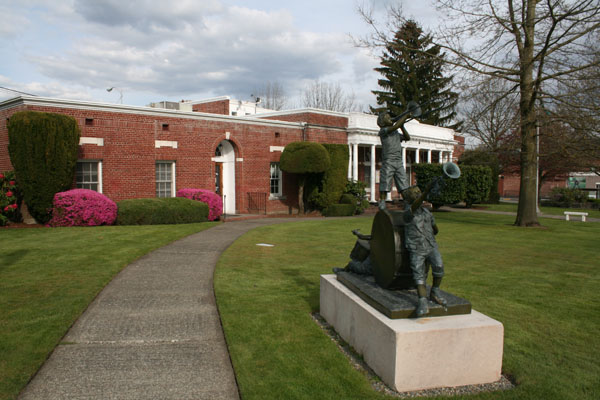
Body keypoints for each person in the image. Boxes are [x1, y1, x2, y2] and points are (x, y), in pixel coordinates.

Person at [401, 185, 447, 317]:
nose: (418, 195)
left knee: (439, 266)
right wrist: (426, 192)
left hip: (430, 245)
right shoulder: (407, 213)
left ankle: (435, 291)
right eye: (415, 194)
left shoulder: (427, 212)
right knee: (418, 274)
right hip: (417, 248)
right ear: (410, 199)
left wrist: (432, 228)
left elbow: (435, 229)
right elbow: (415, 205)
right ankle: (422, 300)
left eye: (419, 193)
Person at [377, 104, 417, 210]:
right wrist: (404, 117)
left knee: (403, 183)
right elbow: (395, 126)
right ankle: (382, 201)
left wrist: (402, 126)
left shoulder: (395, 133)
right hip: (389, 161)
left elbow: (407, 137)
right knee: (385, 182)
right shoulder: (383, 131)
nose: (391, 118)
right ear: (382, 121)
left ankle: (407, 203)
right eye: (388, 117)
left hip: (399, 161)